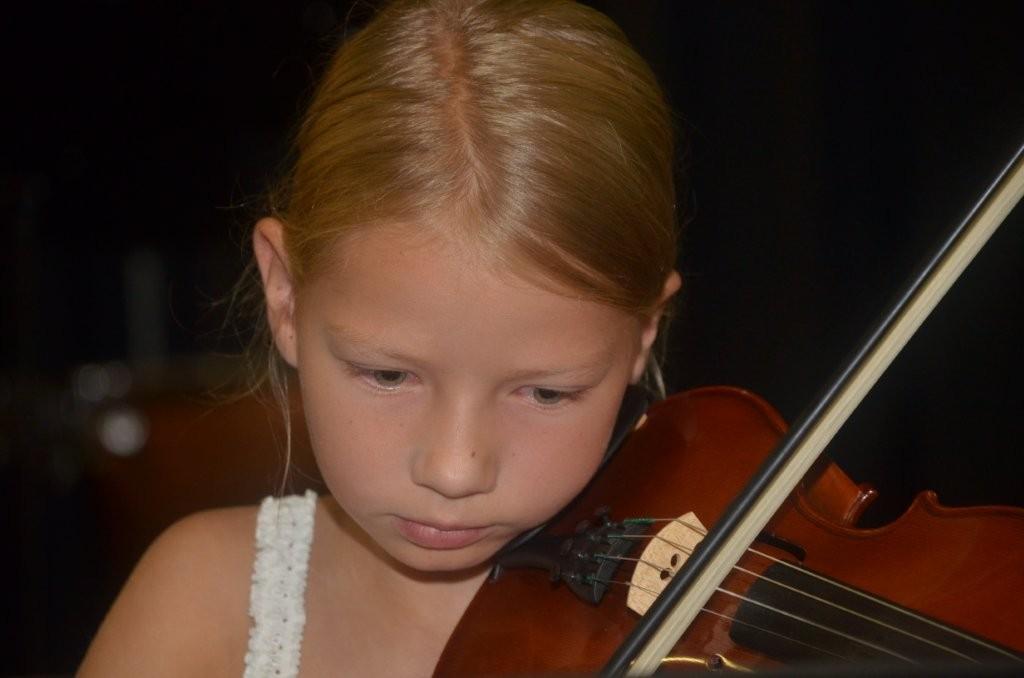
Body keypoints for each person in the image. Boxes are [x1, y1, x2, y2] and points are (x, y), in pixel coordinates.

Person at [79, 0, 681, 675]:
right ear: (286, 296)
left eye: (546, 392)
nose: (454, 470)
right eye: (388, 375)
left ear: (643, 334)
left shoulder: (695, 634)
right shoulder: (202, 601)